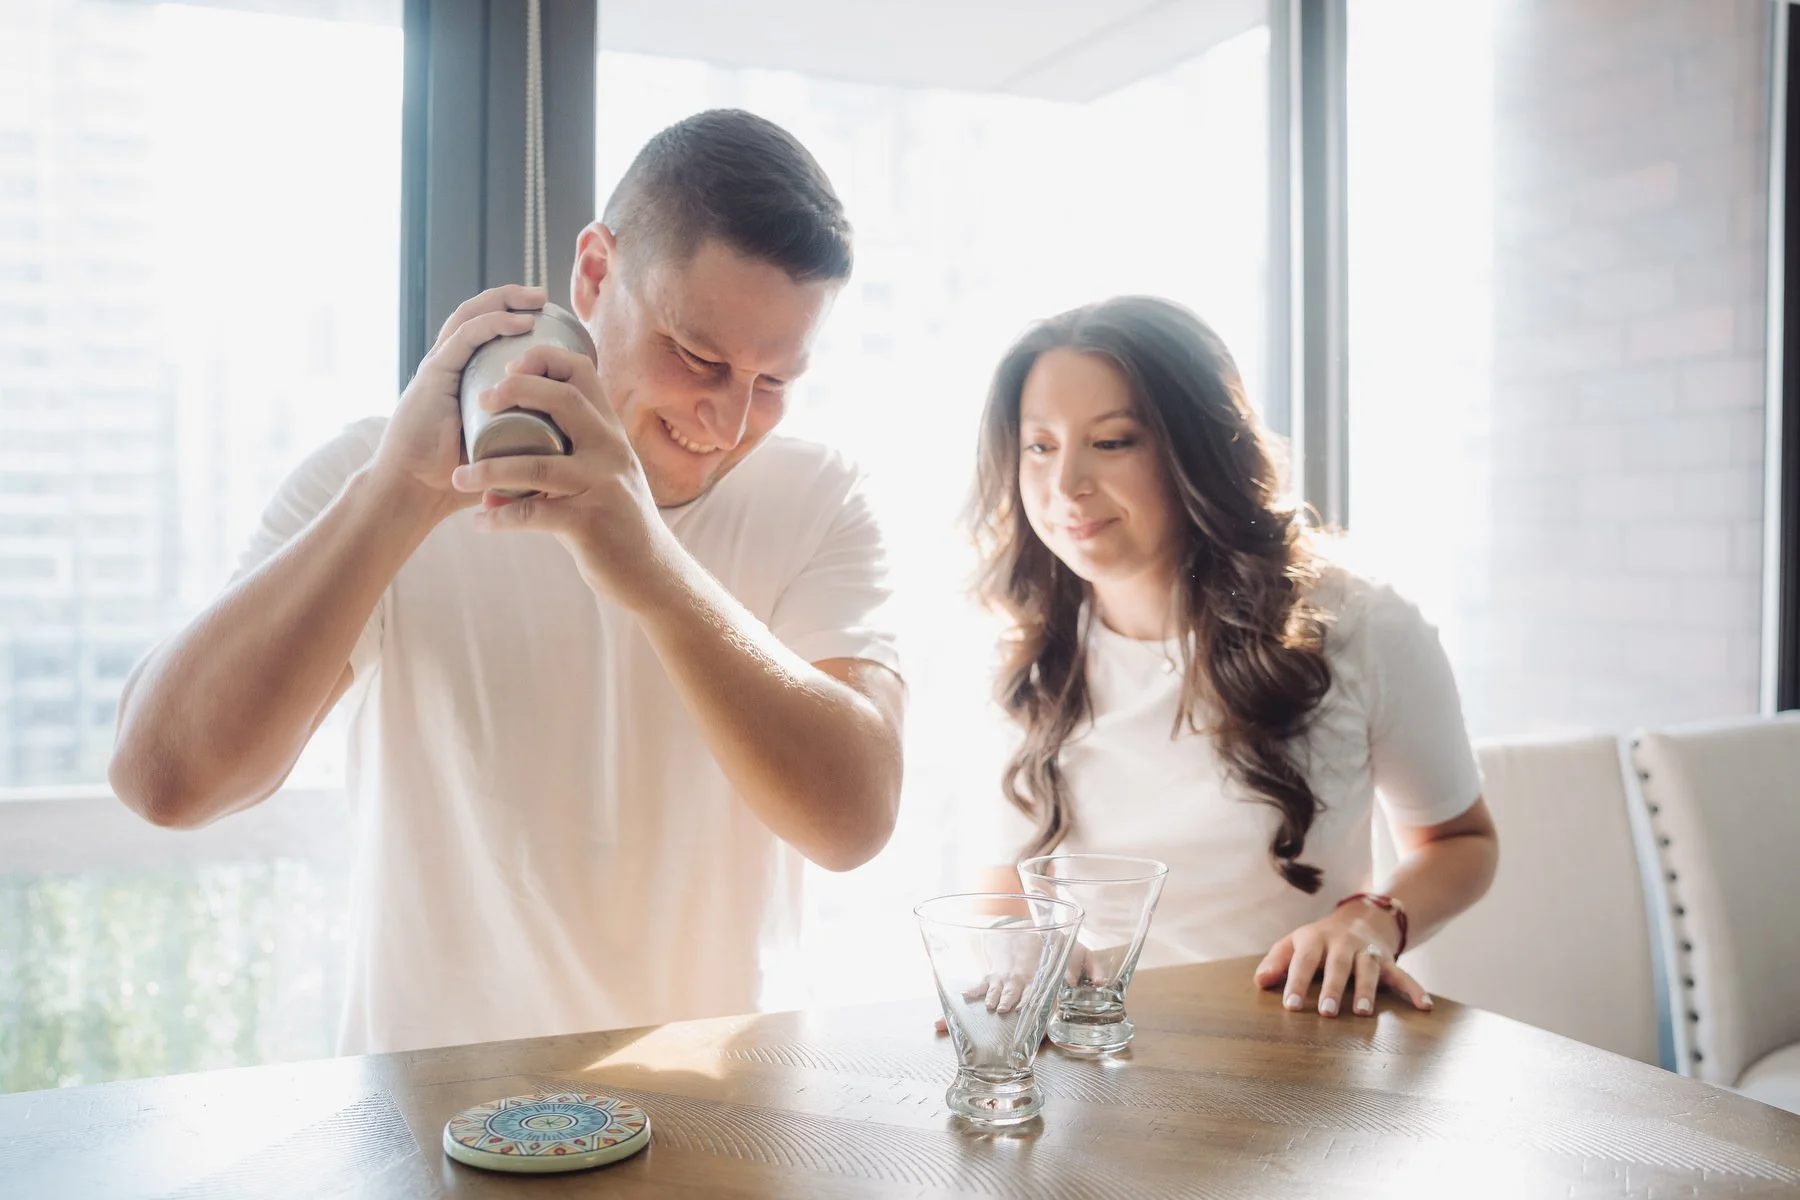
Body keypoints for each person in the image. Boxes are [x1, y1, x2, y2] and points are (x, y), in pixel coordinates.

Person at [108, 110, 906, 1054]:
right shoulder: (378, 480)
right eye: (698, 357)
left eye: (773, 382)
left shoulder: (817, 497)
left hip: (721, 1108)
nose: (729, 423)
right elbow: (167, 782)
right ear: (595, 273)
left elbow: (854, 821)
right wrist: (398, 498)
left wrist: (653, 570)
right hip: (435, 1112)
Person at [965, 296, 1498, 1018]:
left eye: (1113, 441)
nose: (1066, 486)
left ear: (1198, 448)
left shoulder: (1360, 624)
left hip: (1299, 1037)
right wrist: (1018, 949)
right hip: (1094, 1047)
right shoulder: (1025, 654)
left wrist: (1372, 920)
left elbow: (1462, 841)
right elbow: (1006, 882)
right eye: (1039, 446)